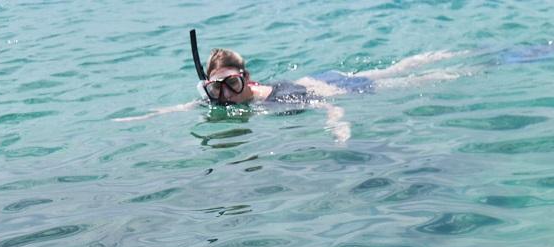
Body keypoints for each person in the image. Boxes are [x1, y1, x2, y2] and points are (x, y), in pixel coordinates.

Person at [113, 46, 467, 143]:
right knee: (386, 71)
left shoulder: (274, 100)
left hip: (338, 88)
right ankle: (438, 58)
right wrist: (147, 116)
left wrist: (338, 128)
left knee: (402, 80)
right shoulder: (219, 99)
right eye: (215, 87)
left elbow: (326, 106)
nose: (225, 95)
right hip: (321, 78)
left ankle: (449, 65)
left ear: (246, 79)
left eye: (232, 84)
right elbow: (183, 107)